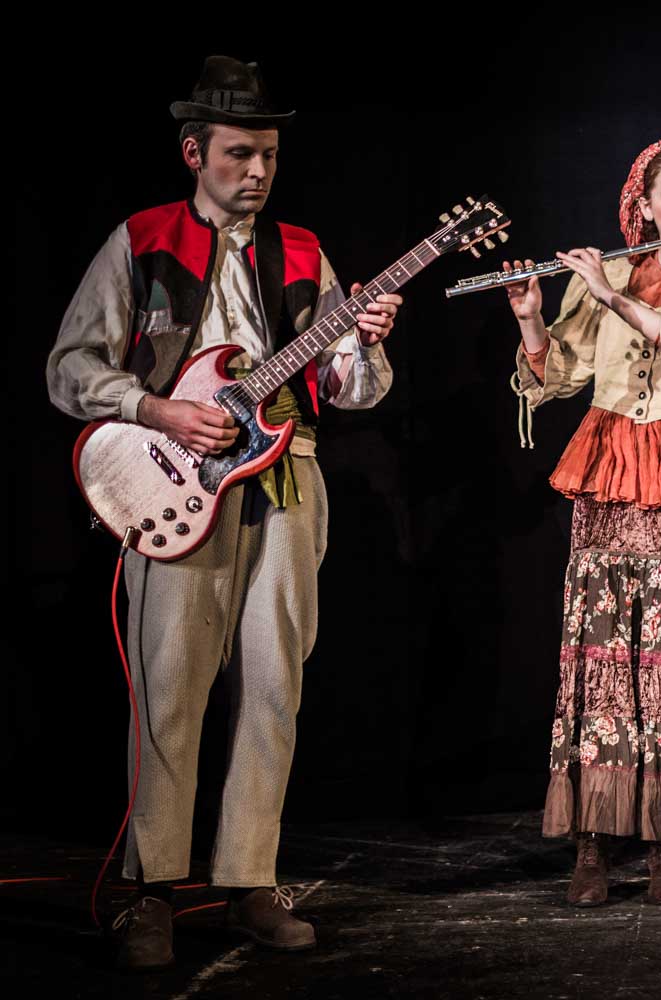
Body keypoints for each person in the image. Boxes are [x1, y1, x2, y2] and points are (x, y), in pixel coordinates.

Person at [46, 57, 402, 969]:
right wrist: (157, 410)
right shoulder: (143, 239)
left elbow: (351, 390)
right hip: (173, 480)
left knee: (275, 687)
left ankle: (249, 881)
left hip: (288, 480)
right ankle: (151, 890)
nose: (258, 171)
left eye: (269, 155)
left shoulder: (303, 250)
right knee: (170, 686)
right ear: (194, 151)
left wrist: (364, 343)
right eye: (240, 153)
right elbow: (70, 369)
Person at [505, 138, 661, 907]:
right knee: (605, 654)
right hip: (612, 463)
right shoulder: (608, 275)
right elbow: (560, 375)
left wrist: (613, 297)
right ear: (644, 207)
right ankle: (592, 841)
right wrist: (532, 320)